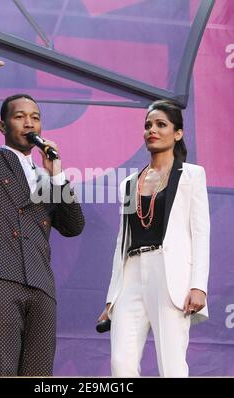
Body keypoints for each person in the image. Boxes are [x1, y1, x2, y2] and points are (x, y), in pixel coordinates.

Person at [0, 32, 85, 376]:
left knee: (39, 375)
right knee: (1, 368)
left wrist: (57, 175)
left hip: (40, 282)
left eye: (35, 117)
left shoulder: (46, 176)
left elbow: (73, 225)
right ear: (2, 125)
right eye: (20, 116)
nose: (29, 122)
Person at [98, 99, 210, 377]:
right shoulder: (129, 183)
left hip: (170, 274)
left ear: (178, 133)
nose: (152, 130)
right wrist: (112, 296)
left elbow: (201, 233)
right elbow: (121, 243)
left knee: (171, 365)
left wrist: (198, 286)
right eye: (148, 125)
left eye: (161, 124)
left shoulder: (192, 175)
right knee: (120, 365)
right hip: (131, 275)